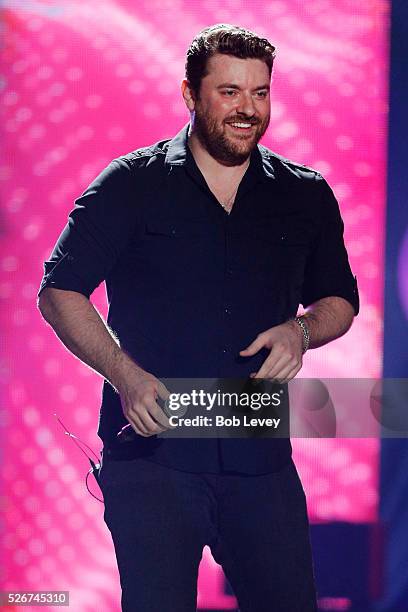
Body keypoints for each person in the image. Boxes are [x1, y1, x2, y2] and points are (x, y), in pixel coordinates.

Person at [37, 24, 359, 612]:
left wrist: (302, 330)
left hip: (259, 457)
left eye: (260, 93)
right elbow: (59, 291)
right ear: (190, 93)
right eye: (230, 92)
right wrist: (125, 376)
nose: (247, 109)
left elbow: (340, 300)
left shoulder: (304, 194)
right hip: (154, 458)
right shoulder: (131, 184)